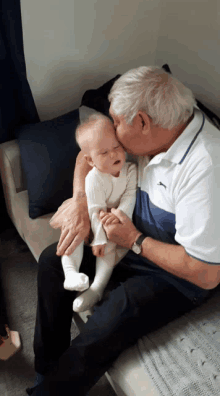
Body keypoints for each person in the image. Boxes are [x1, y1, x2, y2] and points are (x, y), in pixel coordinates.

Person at [27, 66, 220, 396]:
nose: (113, 130)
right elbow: (85, 156)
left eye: (116, 121)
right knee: (52, 260)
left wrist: (134, 239)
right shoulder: (157, 129)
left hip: (175, 271)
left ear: (142, 122)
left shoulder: (206, 165)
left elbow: (205, 273)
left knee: (117, 312)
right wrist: (81, 202)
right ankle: (47, 370)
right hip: (126, 238)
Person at [57, 113, 137, 312]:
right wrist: (98, 237)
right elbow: (94, 211)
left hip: (115, 217)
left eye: (117, 147)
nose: (113, 155)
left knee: (110, 247)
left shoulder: (131, 170)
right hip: (95, 215)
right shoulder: (93, 178)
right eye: (104, 152)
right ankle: (70, 273)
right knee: (75, 232)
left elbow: (130, 197)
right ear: (90, 161)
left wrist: (118, 217)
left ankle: (97, 289)